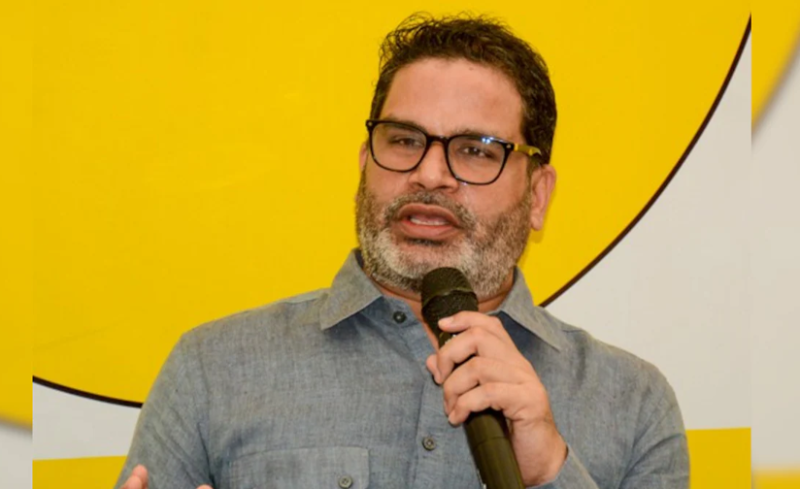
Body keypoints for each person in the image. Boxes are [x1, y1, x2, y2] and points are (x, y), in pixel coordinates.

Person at [117, 13, 689, 489]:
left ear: (537, 196)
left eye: (475, 150)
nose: (430, 174)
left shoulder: (632, 404)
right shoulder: (213, 370)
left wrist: (549, 472)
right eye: (405, 140)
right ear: (365, 165)